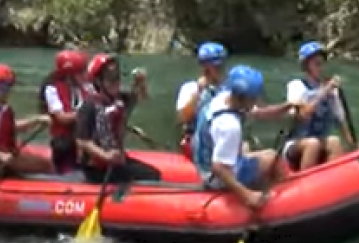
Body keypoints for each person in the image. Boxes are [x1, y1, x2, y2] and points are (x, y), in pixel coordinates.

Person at [193, 66, 283, 209]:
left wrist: (287, 107)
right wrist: (246, 195)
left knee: (246, 147)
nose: (257, 100)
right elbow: (219, 168)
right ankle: (282, 204)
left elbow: (258, 112)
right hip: (215, 177)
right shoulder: (230, 125)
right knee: (272, 158)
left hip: (204, 165)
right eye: (254, 97)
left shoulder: (222, 99)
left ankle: (264, 189)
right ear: (244, 98)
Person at [75, 54, 160, 184]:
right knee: (151, 177)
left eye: (118, 78)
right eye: (111, 79)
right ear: (98, 81)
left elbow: (141, 97)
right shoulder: (89, 106)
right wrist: (105, 156)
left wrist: (140, 83)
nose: (117, 83)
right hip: (97, 168)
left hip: (116, 161)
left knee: (154, 174)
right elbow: (82, 141)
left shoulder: (118, 99)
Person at [283, 41, 355, 171]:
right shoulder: (296, 86)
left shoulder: (331, 90)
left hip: (320, 140)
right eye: (316, 64)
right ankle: (303, 183)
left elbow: (340, 121)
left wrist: (352, 144)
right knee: (313, 144)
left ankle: (332, 181)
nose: (321, 68)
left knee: (334, 141)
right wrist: (324, 92)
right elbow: (302, 115)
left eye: (322, 63)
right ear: (306, 66)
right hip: (296, 144)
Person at [38, 49, 91, 173]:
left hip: (83, 136)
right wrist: (87, 114)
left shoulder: (85, 86)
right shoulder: (52, 89)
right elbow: (62, 118)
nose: (85, 74)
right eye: (81, 71)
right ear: (70, 74)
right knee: (64, 145)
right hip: (64, 140)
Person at [176, 42, 227, 160]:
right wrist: (199, 91)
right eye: (215, 67)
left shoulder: (229, 88)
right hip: (198, 142)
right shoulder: (190, 88)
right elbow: (182, 118)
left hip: (222, 139)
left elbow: (252, 111)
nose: (219, 70)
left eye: (221, 66)